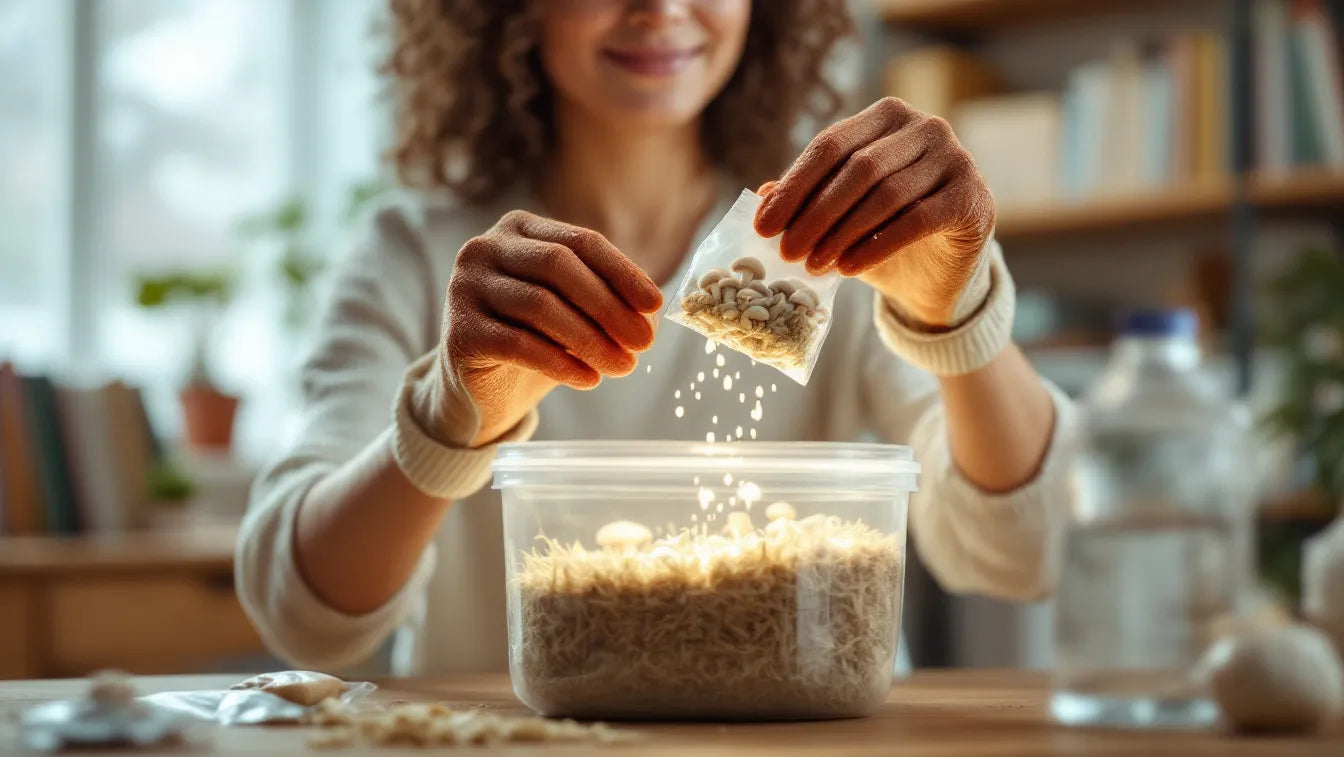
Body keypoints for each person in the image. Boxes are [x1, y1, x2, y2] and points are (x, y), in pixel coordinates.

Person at [237, 0, 1072, 674]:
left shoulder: (840, 244)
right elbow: (306, 622)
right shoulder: (413, 256)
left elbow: (1018, 556)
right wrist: (450, 418)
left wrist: (955, 319)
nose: (661, 10)